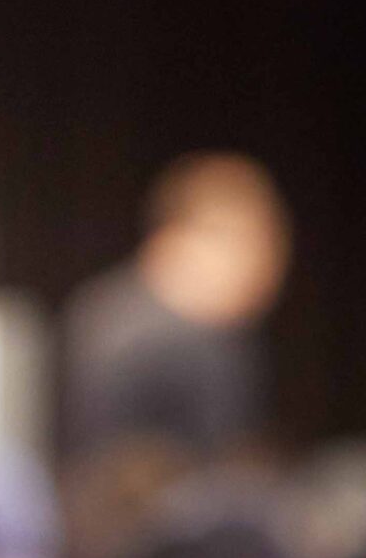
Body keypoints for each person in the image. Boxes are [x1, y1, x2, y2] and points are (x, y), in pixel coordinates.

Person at [62, 154, 291, 464]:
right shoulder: (171, 344)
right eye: (251, 244)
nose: (268, 266)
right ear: (176, 238)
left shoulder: (97, 309)